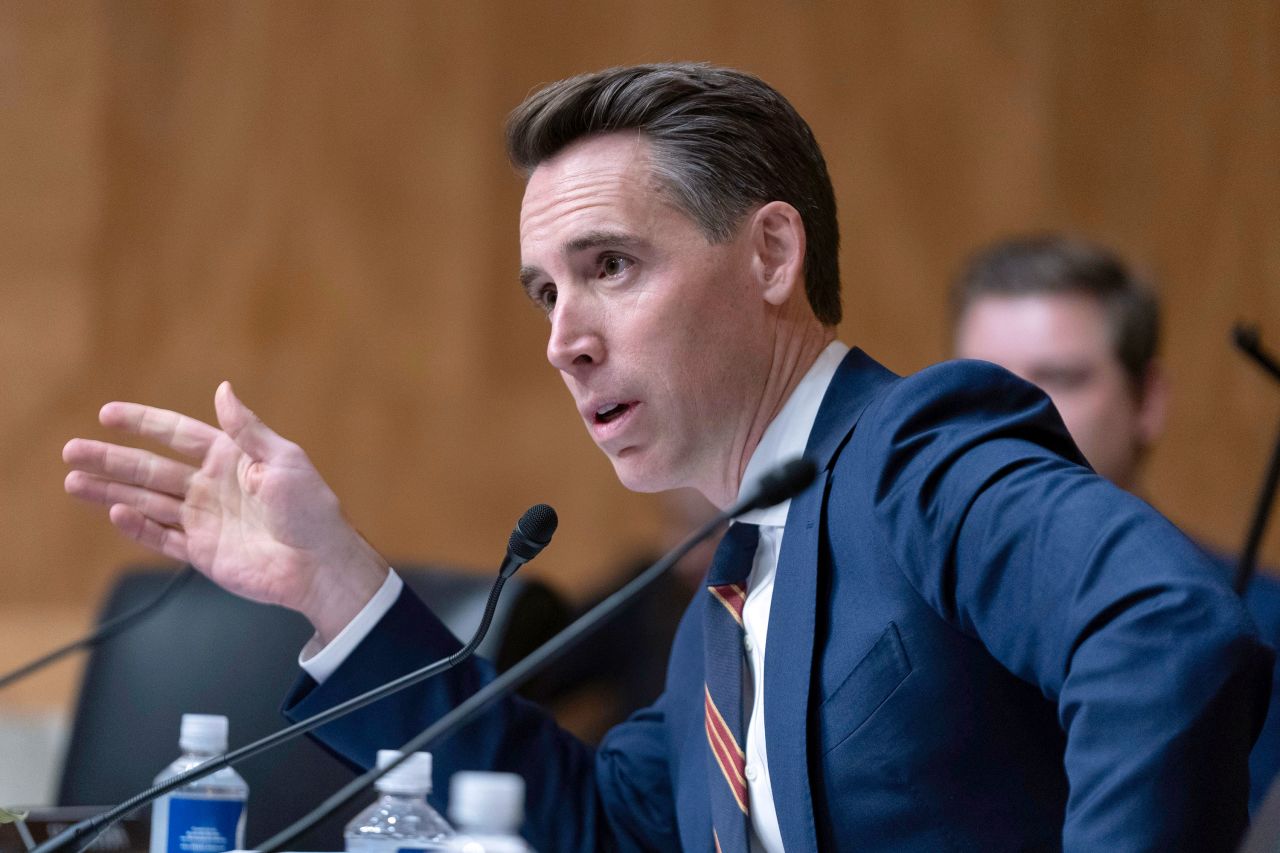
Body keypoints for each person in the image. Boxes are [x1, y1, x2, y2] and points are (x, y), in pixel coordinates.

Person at [62, 64, 1271, 851]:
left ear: (770, 254)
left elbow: (1160, 626)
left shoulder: (915, 450)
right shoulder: (722, 604)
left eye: (610, 267)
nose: (561, 341)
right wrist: (333, 585)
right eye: (544, 291)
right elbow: (590, 825)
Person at [951, 232, 1280, 812]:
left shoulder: (1267, 623)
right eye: (981, 380)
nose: (1010, 412)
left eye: (1060, 378)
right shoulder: (907, 622)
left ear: (1147, 402)